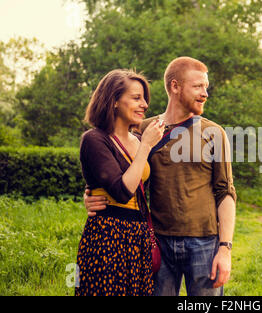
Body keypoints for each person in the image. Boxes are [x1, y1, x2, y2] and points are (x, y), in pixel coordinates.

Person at [84, 57, 237, 296]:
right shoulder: (141, 130)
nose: (205, 93)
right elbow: (112, 167)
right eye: (198, 86)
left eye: (206, 87)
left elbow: (225, 192)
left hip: (204, 244)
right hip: (157, 242)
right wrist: (93, 196)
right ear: (175, 87)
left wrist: (225, 249)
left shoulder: (214, 133)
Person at [76, 69, 165, 296]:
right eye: (136, 98)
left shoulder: (137, 138)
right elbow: (122, 191)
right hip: (107, 236)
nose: (144, 104)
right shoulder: (95, 139)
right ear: (114, 101)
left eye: (144, 98)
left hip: (138, 236)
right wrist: (145, 146)